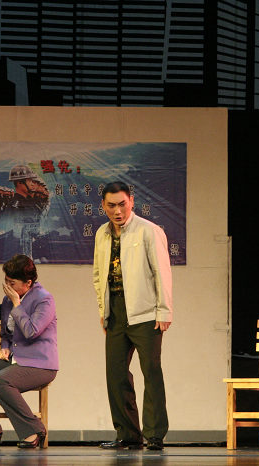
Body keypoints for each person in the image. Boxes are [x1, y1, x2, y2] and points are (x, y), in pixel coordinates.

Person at [92, 181, 173, 451]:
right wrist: (104, 311)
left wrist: (164, 310)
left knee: (151, 372)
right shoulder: (102, 234)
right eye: (111, 205)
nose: (117, 211)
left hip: (146, 312)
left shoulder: (149, 231)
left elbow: (162, 273)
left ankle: (154, 434)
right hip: (116, 312)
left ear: (132, 202)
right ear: (103, 206)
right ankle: (127, 434)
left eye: (122, 204)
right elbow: (98, 275)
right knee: (116, 375)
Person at [0, 254, 58, 449]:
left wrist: (17, 304)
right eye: (6, 281)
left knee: (0, 381)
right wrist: (5, 347)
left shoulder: (44, 299)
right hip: (15, 359)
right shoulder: (8, 300)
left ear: (28, 283)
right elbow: (7, 332)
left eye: (12, 283)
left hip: (40, 364)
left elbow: (31, 331)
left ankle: (33, 429)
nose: (7, 286)